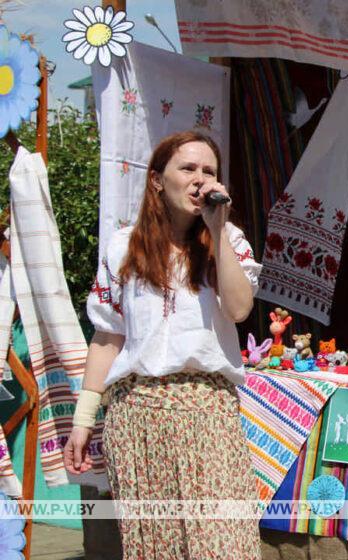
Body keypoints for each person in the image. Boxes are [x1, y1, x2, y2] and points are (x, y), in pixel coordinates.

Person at [63, 131, 262, 558]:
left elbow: (240, 308)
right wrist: (83, 421)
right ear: (157, 180)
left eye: (209, 171)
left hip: (207, 415)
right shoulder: (123, 247)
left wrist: (218, 229)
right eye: (187, 168)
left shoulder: (229, 242)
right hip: (137, 419)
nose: (200, 179)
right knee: (156, 548)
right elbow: (107, 335)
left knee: (224, 546)